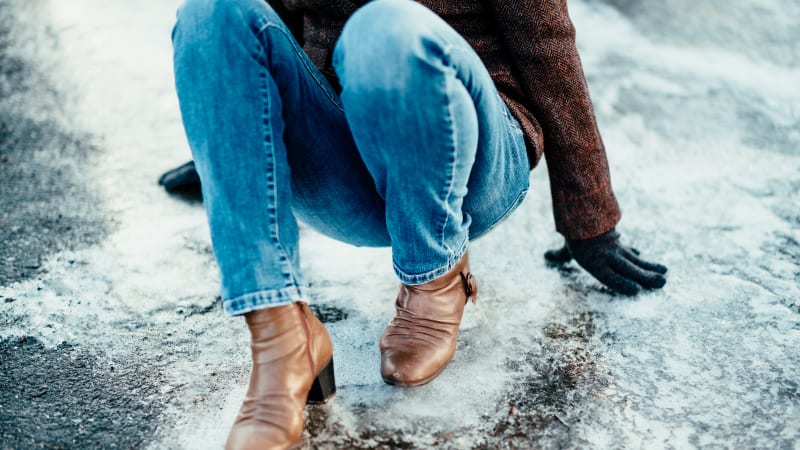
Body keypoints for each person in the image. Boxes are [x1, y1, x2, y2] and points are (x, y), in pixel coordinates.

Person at [167, 0, 668, 448]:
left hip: (473, 159)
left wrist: (589, 217)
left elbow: (547, 47)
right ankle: (282, 337)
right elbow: (257, 35)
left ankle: (435, 278)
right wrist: (229, 148)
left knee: (386, 26)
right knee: (211, 10)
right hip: (346, 163)